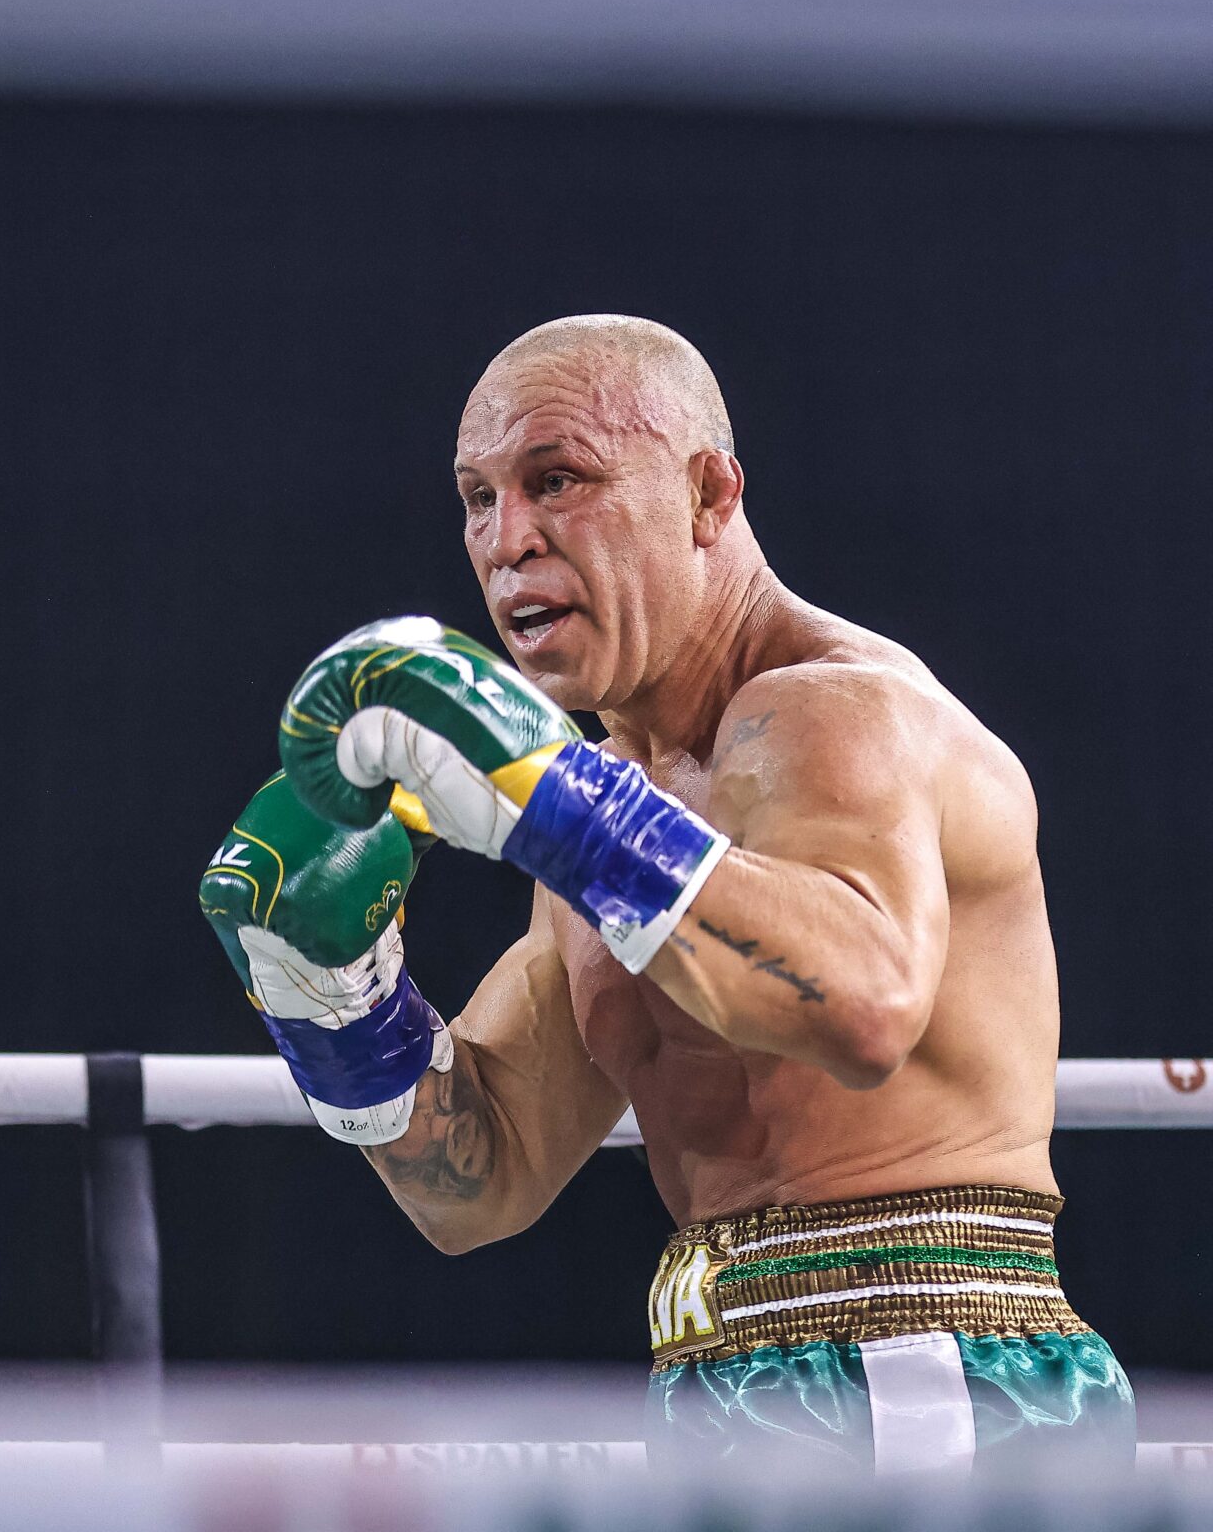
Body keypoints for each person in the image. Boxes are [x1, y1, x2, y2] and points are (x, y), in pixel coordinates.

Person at [203, 315, 1130, 1471]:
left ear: (708, 495)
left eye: (557, 480)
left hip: (920, 1368)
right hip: (717, 1380)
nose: (506, 540)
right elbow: (477, 1186)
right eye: (477, 497)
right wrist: (335, 1002)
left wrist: (554, 802)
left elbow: (862, 1002)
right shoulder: (601, 816)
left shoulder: (828, 715)